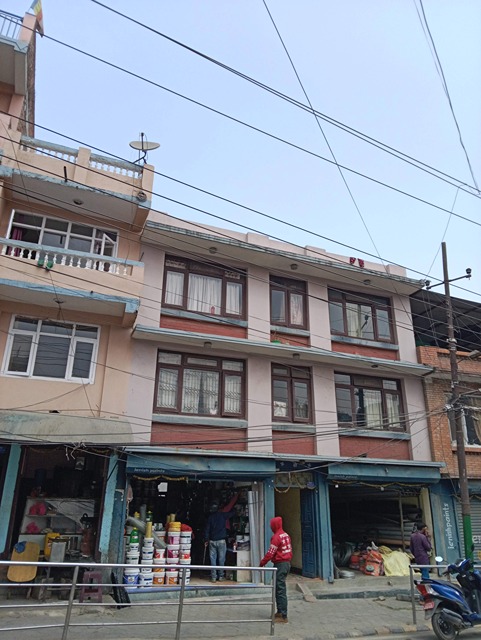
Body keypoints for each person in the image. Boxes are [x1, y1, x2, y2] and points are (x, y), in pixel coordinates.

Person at [260, 516, 292, 624]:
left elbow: (270, 553)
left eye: (271, 525)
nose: (271, 527)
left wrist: (262, 563)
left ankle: (283, 615)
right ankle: (279, 612)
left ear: (275, 525)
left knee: (280, 589)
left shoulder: (276, 537)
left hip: (281, 564)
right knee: (278, 588)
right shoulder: (285, 535)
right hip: (286, 564)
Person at [204, 493, 238, 582]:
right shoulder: (223, 515)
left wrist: (206, 539)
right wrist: (235, 509)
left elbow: (207, 529)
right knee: (221, 559)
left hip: (212, 541)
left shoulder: (210, 518)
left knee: (213, 560)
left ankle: (213, 577)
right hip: (221, 541)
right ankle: (221, 576)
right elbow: (232, 514)